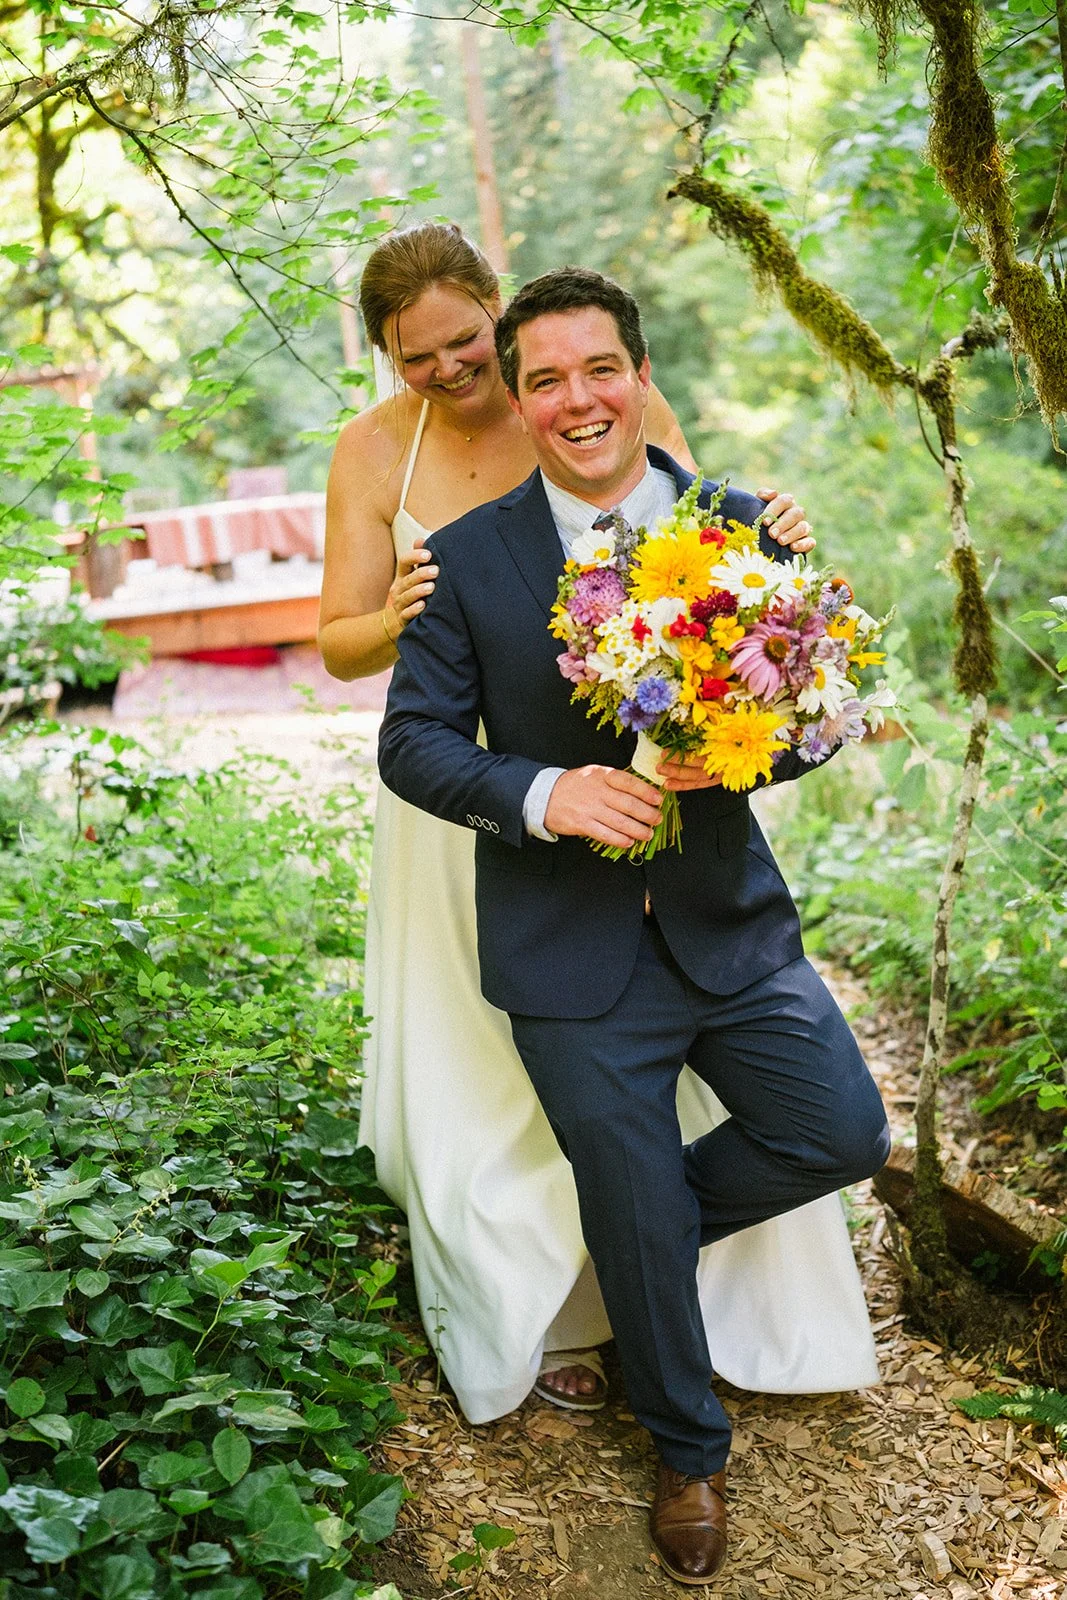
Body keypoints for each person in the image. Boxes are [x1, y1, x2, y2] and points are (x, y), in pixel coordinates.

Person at [377, 265, 890, 1586]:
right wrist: (548, 792)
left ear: (636, 372)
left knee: (836, 1131)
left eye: (597, 369)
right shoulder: (472, 558)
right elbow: (414, 746)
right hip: (566, 952)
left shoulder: (741, 528)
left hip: (730, 927)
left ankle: (631, 1241)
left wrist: (736, 754)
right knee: (628, 1180)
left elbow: (816, 714)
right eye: (543, 378)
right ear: (521, 396)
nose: (576, 400)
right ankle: (687, 1448)